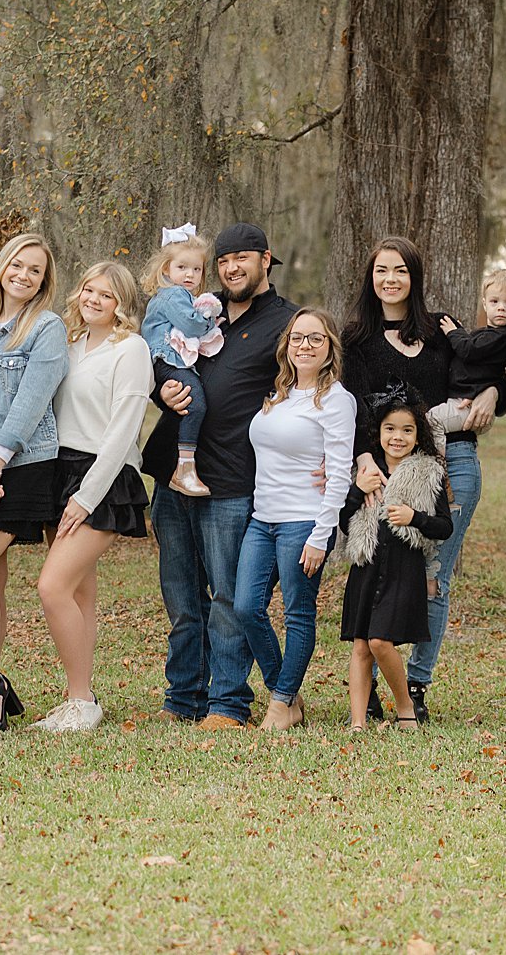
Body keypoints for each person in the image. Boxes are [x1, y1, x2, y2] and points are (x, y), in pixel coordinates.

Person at [142, 221, 297, 730]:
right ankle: (183, 696)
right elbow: (157, 358)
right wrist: (162, 387)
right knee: (182, 596)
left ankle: (228, 703)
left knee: (229, 596)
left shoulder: (286, 323)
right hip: (173, 472)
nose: (232, 268)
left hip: (234, 478)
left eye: (243, 258)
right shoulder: (197, 310)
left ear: (265, 260)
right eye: (224, 261)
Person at [341, 236, 496, 723]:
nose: (390, 279)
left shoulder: (438, 331)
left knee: (433, 580)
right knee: (374, 569)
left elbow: (482, 371)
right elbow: (351, 410)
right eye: (382, 270)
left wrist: (494, 390)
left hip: (448, 468)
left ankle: (417, 685)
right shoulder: (354, 340)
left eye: (401, 270)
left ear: (415, 277)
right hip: (378, 469)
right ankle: (368, 687)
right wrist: (365, 462)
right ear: (370, 277)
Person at [34, 261, 153, 732]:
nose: (94, 300)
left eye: (107, 294)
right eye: (88, 290)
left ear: (121, 303)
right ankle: (78, 699)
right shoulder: (68, 343)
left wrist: (86, 495)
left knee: (52, 586)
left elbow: (123, 431)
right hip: (59, 469)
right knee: (80, 593)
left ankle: (82, 700)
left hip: (102, 475)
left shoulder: (132, 349)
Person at [0, 232, 67, 731]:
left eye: (35, 271)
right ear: (2, 266)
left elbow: (31, 399)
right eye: (17, 266)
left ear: (45, 282)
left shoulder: (46, 328)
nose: (24, 276)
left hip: (19, 462)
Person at [236, 308, 356, 732]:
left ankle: (281, 703)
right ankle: (285, 693)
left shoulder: (337, 400)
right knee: (246, 607)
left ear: (329, 350)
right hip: (262, 518)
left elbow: (340, 472)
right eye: (298, 338)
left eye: (316, 339)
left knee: (297, 614)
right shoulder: (279, 393)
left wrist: (321, 535)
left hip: (303, 520)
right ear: (287, 345)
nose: (305, 345)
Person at [337, 390, 453, 730]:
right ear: (379, 432)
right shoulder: (366, 471)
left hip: (404, 570)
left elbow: (444, 527)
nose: (397, 437)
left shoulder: (429, 474)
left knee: (379, 641)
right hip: (366, 567)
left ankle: (405, 707)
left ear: (418, 436)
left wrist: (413, 517)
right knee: (361, 646)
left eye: (407, 430)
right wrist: (358, 489)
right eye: (390, 429)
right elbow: (344, 522)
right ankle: (358, 723)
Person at [139, 227, 224, 497]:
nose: (190, 275)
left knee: (192, 402)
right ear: (167, 268)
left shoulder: (182, 295)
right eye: (182, 267)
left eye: (197, 270)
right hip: (167, 359)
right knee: (195, 404)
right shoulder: (173, 295)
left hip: (169, 360)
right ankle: (184, 468)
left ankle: (184, 465)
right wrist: (210, 315)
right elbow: (192, 323)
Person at [426, 268, 506, 439]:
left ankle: (437, 460)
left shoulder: (502, 337)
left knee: (428, 422)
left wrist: (454, 332)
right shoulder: (488, 335)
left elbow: (468, 350)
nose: (501, 308)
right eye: (495, 301)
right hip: (462, 402)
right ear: (485, 303)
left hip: (467, 407)